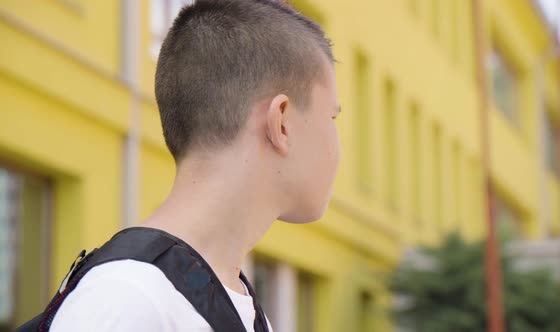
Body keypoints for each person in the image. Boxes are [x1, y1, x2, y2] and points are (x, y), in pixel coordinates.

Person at [49, 0, 341, 331]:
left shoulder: (236, 305)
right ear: (282, 122)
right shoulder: (128, 300)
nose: (338, 145)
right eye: (331, 116)